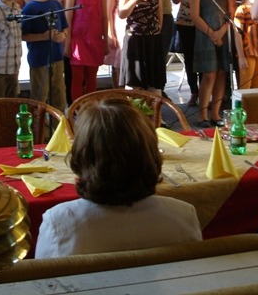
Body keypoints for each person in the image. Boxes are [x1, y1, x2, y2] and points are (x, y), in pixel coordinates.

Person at [34, 98, 202, 257]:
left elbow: (41, 276)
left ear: (82, 156)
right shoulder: (183, 216)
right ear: (150, 154)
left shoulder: (59, 223)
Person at [191, 0, 244, 128]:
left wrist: (221, 32)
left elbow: (231, 14)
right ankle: (202, 115)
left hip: (224, 34)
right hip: (205, 35)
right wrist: (212, 34)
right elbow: (195, 16)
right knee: (209, 74)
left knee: (222, 73)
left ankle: (215, 113)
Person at [21, 0, 68, 110]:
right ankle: (40, 124)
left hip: (57, 57)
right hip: (39, 59)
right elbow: (23, 36)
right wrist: (43, 36)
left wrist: (63, 35)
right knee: (39, 97)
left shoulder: (56, 4)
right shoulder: (29, 8)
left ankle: (59, 124)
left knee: (59, 95)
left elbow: (65, 27)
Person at [118, 0, 166, 94]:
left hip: (153, 40)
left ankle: (155, 107)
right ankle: (134, 107)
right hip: (135, 40)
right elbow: (122, 14)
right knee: (134, 81)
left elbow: (159, 17)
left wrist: (155, 33)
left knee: (154, 82)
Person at [65, 0, 108, 101]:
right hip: (78, 41)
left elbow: (104, 18)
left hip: (94, 40)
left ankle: (91, 106)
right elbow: (68, 19)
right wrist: (67, 44)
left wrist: (106, 42)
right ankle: (76, 108)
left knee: (92, 77)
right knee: (77, 77)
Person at [172, 0, 201, 106]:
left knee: (203, 57)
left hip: (202, 20)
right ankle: (194, 92)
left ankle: (204, 91)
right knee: (189, 58)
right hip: (184, 20)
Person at [104, 0, 135, 87]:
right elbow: (108, 10)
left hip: (135, 23)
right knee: (118, 63)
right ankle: (117, 93)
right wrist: (110, 34)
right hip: (120, 24)